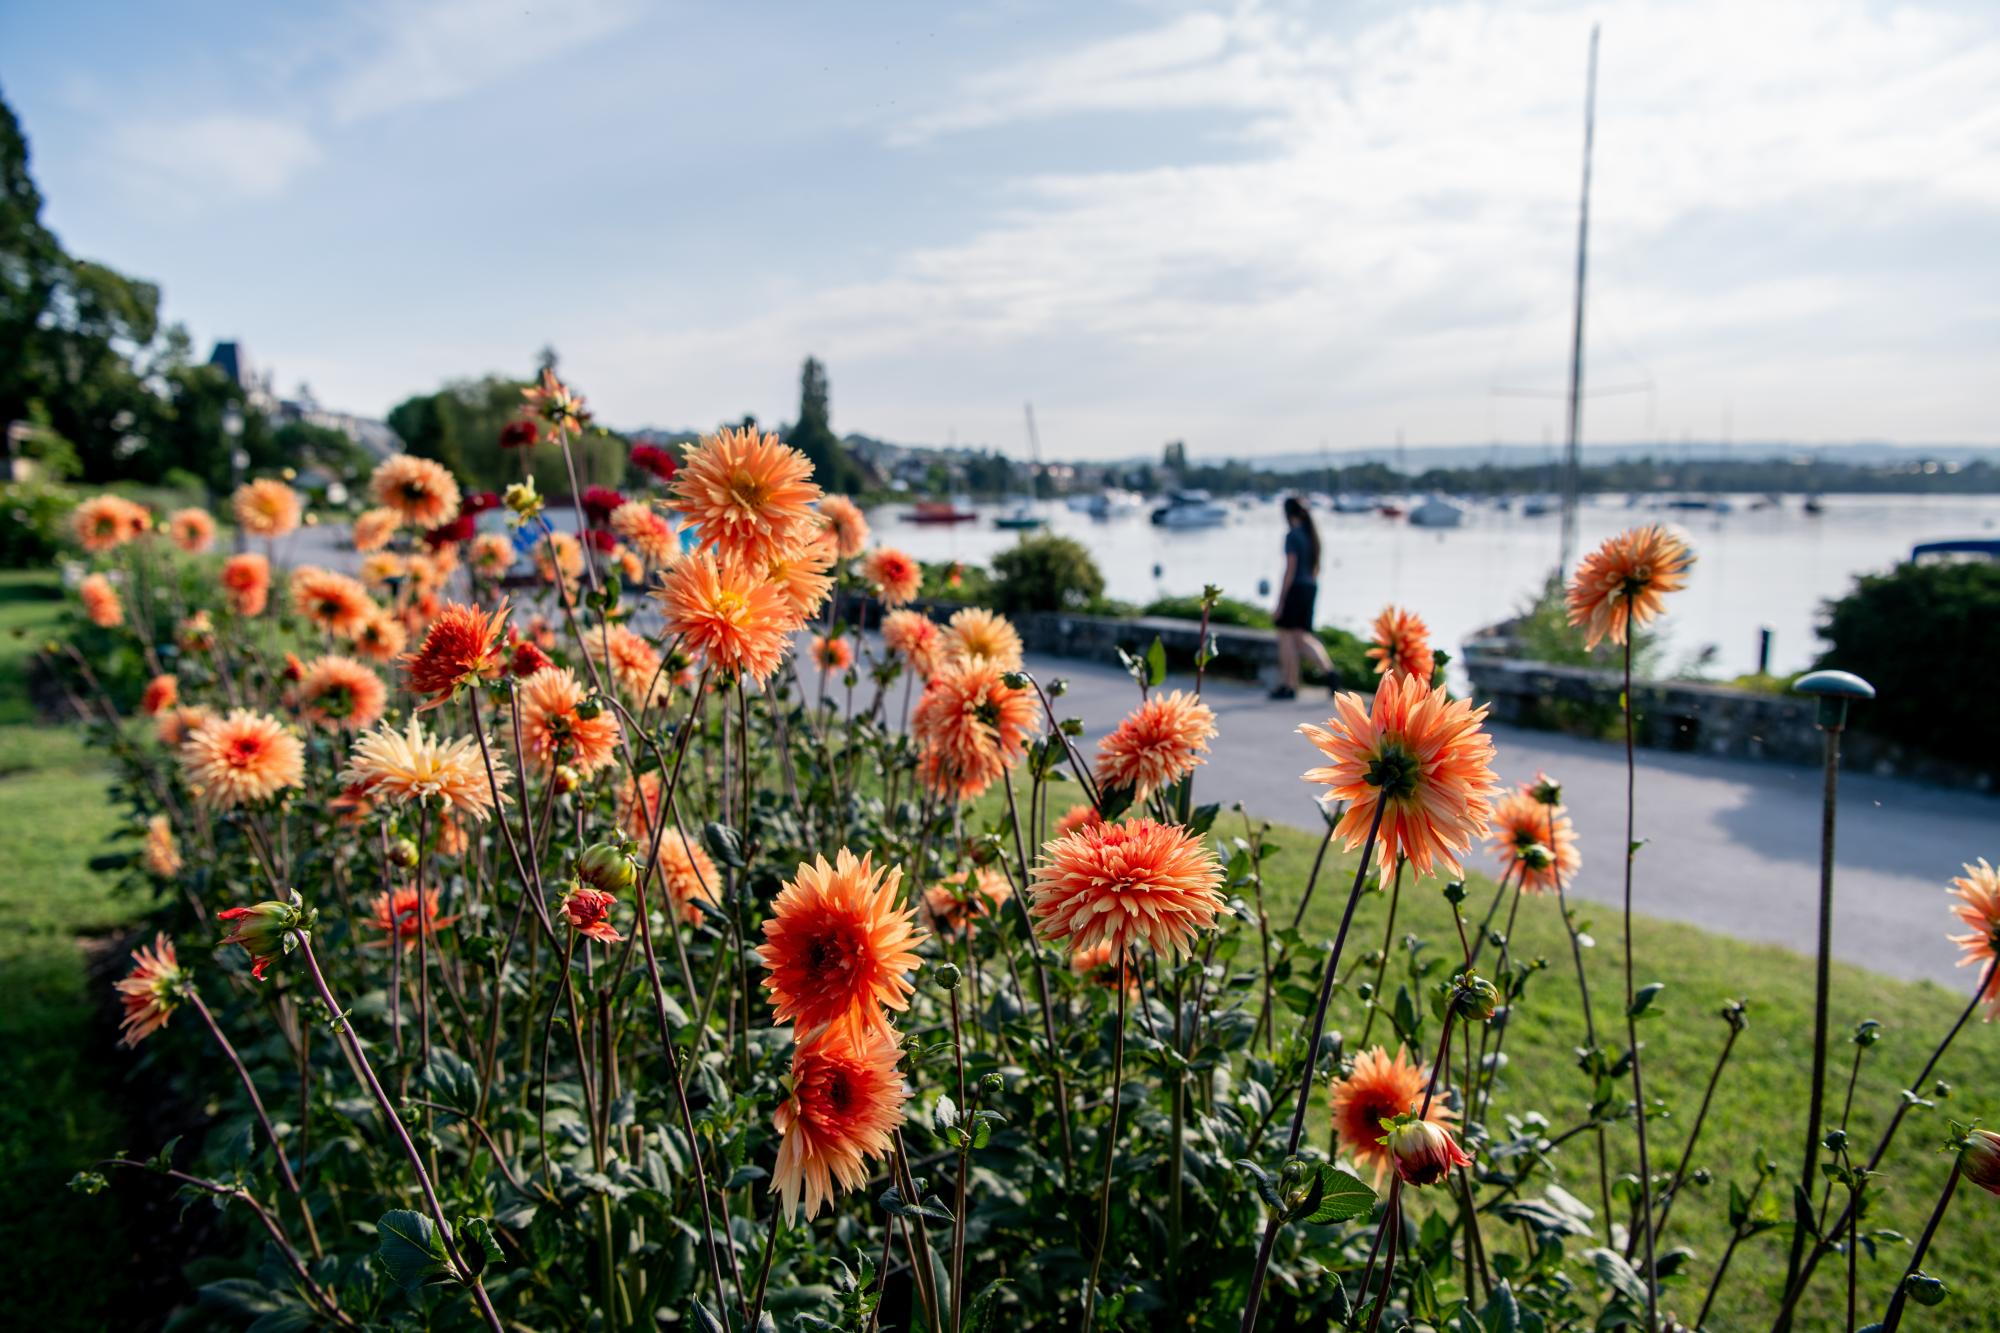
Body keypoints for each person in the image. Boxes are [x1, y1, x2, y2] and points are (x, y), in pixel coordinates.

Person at [1271, 496, 1334, 699]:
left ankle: (1289, 684)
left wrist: (1281, 601)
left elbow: (1290, 569)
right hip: (1310, 587)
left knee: (1286, 636)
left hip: (1295, 588)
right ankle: (1330, 672)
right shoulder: (1310, 534)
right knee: (1301, 636)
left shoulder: (1292, 535)